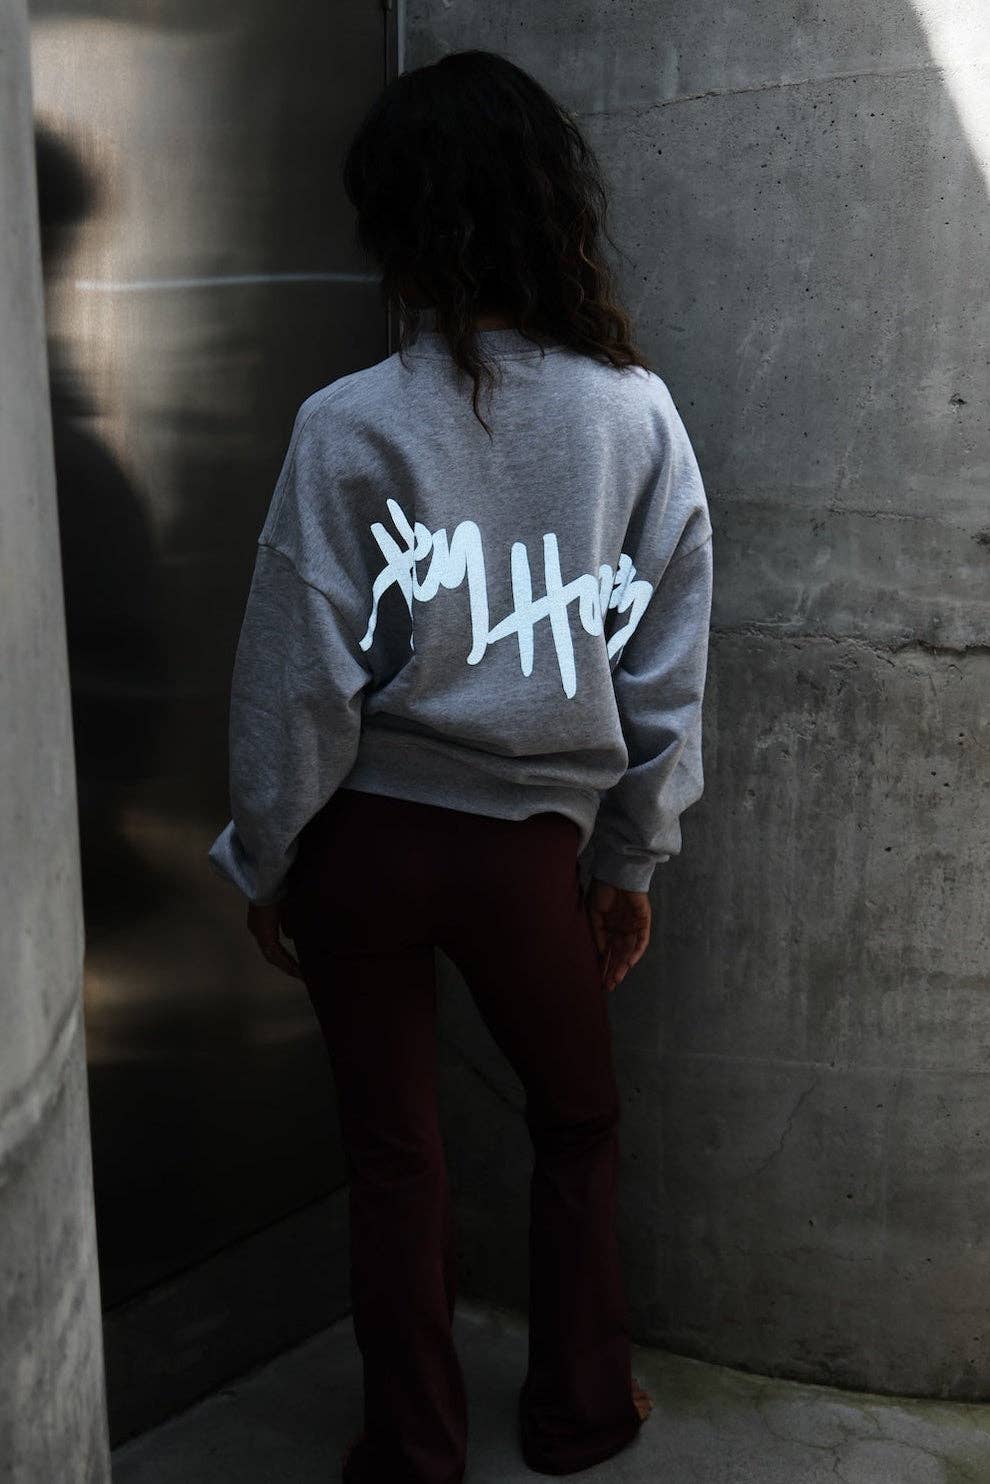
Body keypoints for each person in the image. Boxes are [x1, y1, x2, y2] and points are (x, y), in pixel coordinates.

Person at [208, 48, 713, 1484]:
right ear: (552, 201)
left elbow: (295, 668)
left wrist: (268, 855)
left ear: (398, 221)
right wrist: (628, 857)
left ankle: (413, 1454)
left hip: (361, 843)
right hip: (523, 857)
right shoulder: (633, 415)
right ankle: (579, 1414)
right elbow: (664, 664)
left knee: (394, 1156)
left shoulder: (347, 421)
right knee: (578, 1125)